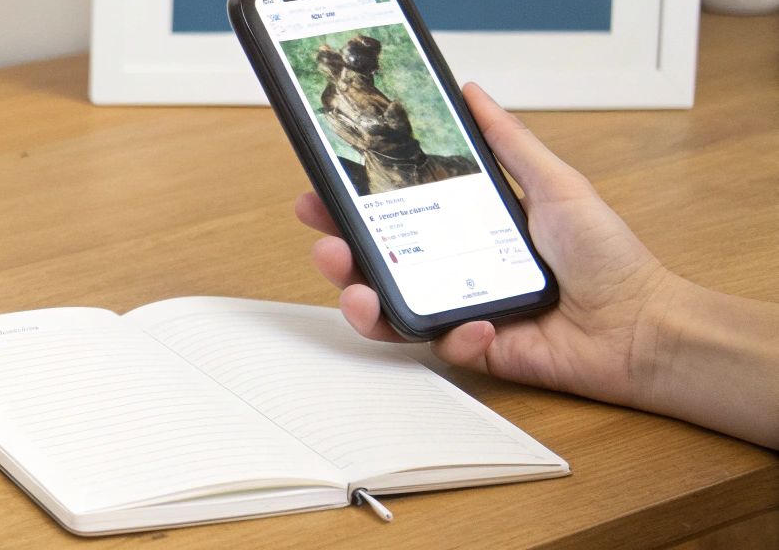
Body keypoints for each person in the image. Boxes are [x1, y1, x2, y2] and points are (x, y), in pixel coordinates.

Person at [297, 81, 779, 450]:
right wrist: (642, 329)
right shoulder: (366, 179)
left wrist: (640, 322)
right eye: (359, 113)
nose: (382, 117)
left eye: (383, 106)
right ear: (342, 129)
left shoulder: (459, 165)